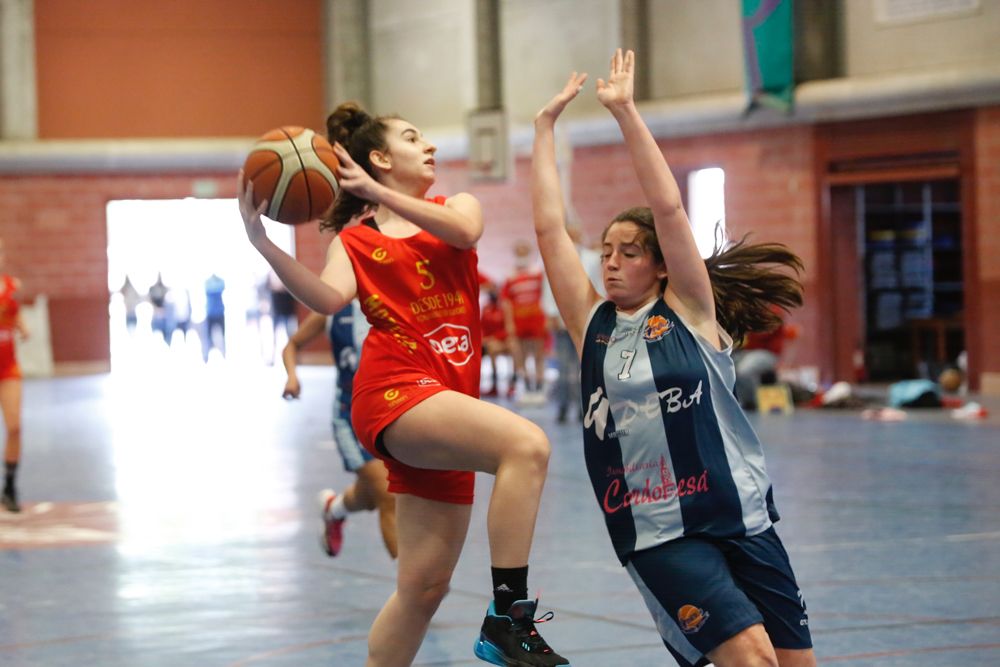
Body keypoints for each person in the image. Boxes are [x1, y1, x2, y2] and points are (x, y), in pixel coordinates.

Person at [238, 101, 568, 667]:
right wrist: (262, 243)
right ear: (381, 158)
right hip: (393, 391)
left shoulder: (456, 207)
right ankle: (508, 618)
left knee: (422, 589)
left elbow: (465, 230)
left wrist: (381, 194)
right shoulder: (356, 240)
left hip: (446, 401)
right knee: (527, 444)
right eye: (415, 138)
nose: (431, 147)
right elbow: (325, 298)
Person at [532, 51, 815, 667]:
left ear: (660, 264)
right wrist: (543, 131)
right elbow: (552, 231)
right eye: (605, 251)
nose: (609, 261)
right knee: (753, 661)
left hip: (742, 514)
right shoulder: (592, 326)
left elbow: (668, 209)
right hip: (658, 530)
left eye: (628, 252)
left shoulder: (690, 308)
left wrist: (626, 113)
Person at [281, 306, 397, 559]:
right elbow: (292, 344)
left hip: (390, 410)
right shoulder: (332, 309)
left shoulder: (388, 298)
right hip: (350, 416)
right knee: (388, 494)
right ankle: (413, 589)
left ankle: (334, 509)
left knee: (371, 495)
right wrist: (292, 377)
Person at [540, 224, 603, 423]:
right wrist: (550, 313)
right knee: (563, 366)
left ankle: (583, 407)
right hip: (561, 319)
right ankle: (563, 406)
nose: (573, 237)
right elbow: (549, 287)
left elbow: (598, 285)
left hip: (587, 317)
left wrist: (599, 311)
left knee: (584, 365)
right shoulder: (555, 257)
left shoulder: (592, 259)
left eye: (576, 233)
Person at [500, 241, 548, 404]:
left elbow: (546, 297)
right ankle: (527, 387)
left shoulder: (538, 273)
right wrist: (509, 323)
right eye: (518, 251)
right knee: (520, 355)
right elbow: (506, 303)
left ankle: (540, 387)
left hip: (536, 318)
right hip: (518, 320)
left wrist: (547, 317)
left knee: (538, 354)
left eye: (524, 251)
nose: (521, 254)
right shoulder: (510, 276)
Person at [0, 239, 28, 513]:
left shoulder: (11, 286)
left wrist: (22, 327)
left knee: (15, 426)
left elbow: (14, 315)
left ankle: (9, 486)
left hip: (8, 368)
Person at [479, 281, 512, 398]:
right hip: (491, 342)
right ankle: (494, 385)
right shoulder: (486, 308)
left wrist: (496, 338)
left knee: (509, 348)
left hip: (505, 341)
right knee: (491, 349)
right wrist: (485, 339)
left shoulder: (504, 307)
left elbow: (508, 328)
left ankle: (511, 384)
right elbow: (481, 326)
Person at [202, 273, 226, 361]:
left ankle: (224, 355)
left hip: (219, 312)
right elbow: (209, 289)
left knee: (223, 335)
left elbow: (221, 287)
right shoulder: (207, 282)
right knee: (208, 337)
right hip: (210, 313)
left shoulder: (220, 281)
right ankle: (206, 357)